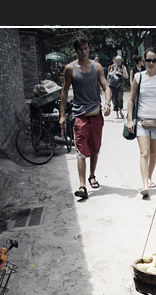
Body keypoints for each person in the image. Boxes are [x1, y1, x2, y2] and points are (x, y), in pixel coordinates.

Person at [60, 34, 111, 200]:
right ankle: (82, 185)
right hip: (80, 116)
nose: (83, 52)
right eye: (80, 49)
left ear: (89, 48)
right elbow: (64, 92)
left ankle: (92, 175)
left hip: (96, 115)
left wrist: (108, 103)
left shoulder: (96, 67)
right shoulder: (70, 69)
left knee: (95, 149)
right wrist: (62, 115)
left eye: (86, 48)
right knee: (81, 151)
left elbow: (106, 86)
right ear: (76, 51)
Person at [127, 47, 156, 197]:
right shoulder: (138, 77)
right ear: (143, 61)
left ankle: (149, 176)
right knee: (144, 152)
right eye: (148, 60)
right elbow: (131, 100)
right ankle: (145, 184)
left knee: (154, 152)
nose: (151, 63)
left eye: (154, 60)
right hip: (141, 120)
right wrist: (130, 120)